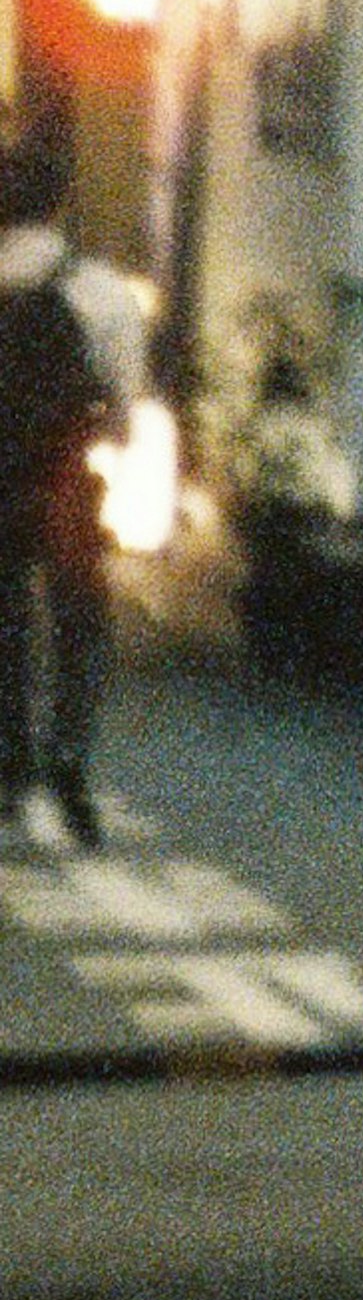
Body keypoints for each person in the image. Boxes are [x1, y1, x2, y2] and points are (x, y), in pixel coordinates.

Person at [0, 118, 121, 844]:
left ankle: (8, 761)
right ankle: (69, 753)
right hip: (65, 484)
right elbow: (122, 408)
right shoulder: (95, 289)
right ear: (62, 201)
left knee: (4, 616)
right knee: (81, 621)